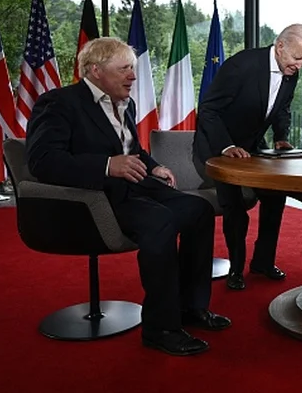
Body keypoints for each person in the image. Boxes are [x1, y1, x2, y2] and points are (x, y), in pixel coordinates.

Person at [26, 37, 231, 356]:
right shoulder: (58, 103)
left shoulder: (126, 103)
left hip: (136, 187)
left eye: (133, 69)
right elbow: (42, 161)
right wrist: (107, 166)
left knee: (199, 210)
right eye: (124, 69)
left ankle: (191, 307)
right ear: (95, 70)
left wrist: (154, 166)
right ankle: (160, 328)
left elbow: (130, 150)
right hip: (95, 197)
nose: (133, 77)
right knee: (159, 222)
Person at [194, 24, 302, 291]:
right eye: (297, 58)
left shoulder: (289, 72)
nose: (300, 66)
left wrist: (281, 137)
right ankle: (236, 269)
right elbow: (208, 110)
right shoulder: (242, 65)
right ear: (280, 46)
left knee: (275, 195)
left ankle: (262, 262)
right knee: (234, 203)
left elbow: (281, 108)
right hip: (217, 148)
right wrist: (226, 146)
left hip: (252, 147)